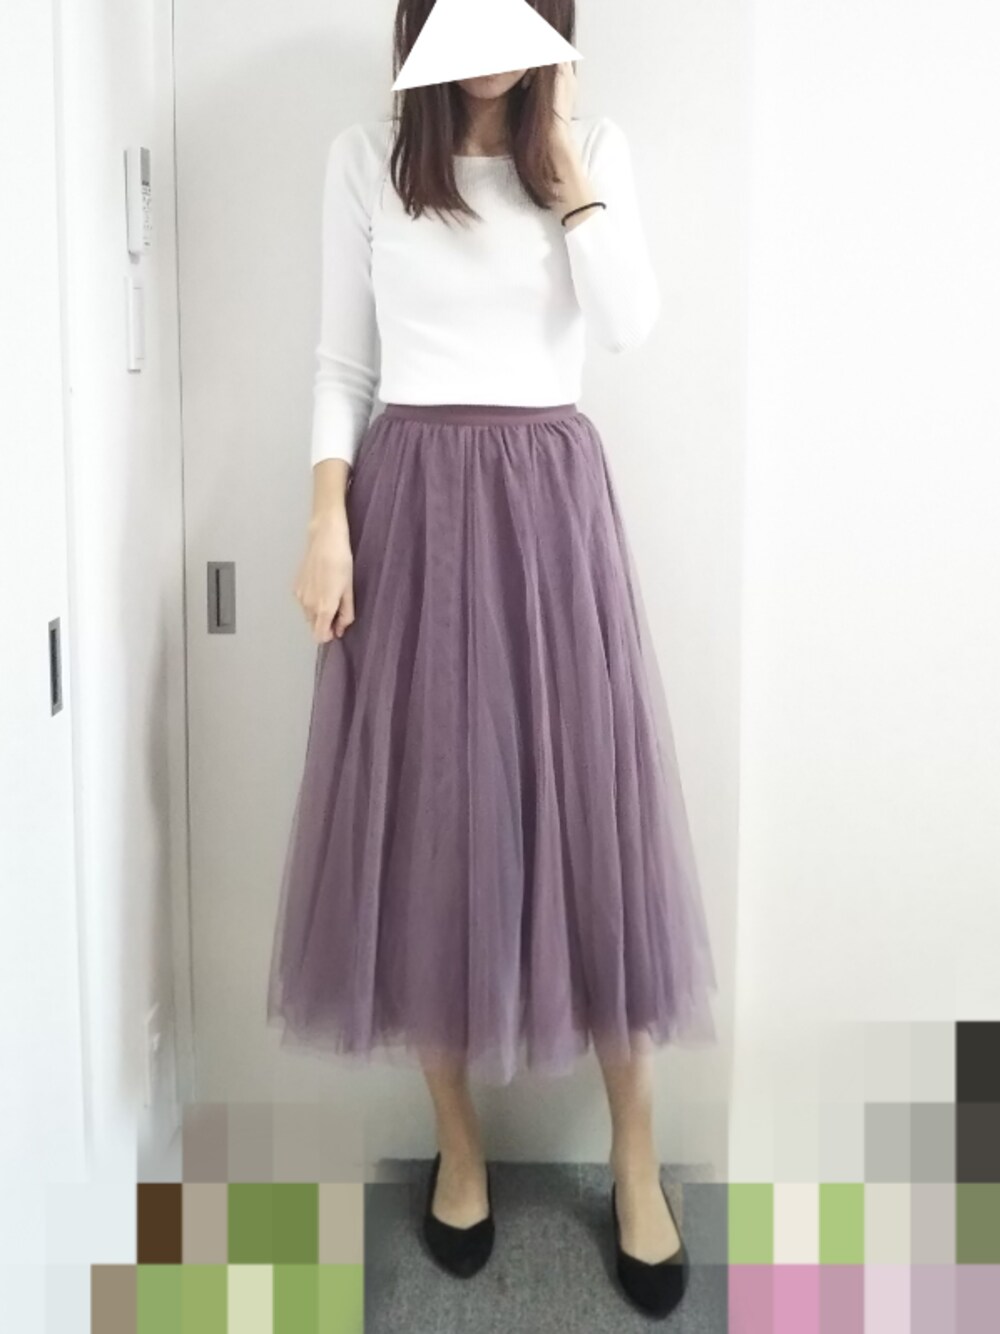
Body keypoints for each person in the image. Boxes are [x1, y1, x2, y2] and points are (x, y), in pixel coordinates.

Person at [267, 0, 717, 1316]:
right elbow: (341, 361)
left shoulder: (592, 148)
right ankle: (458, 1146)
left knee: (594, 823)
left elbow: (628, 323)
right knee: (429, 826)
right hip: (409, 504)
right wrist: (326, 520)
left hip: (549, 508)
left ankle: (635, 1156)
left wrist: (566, 168)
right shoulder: (367, 159)